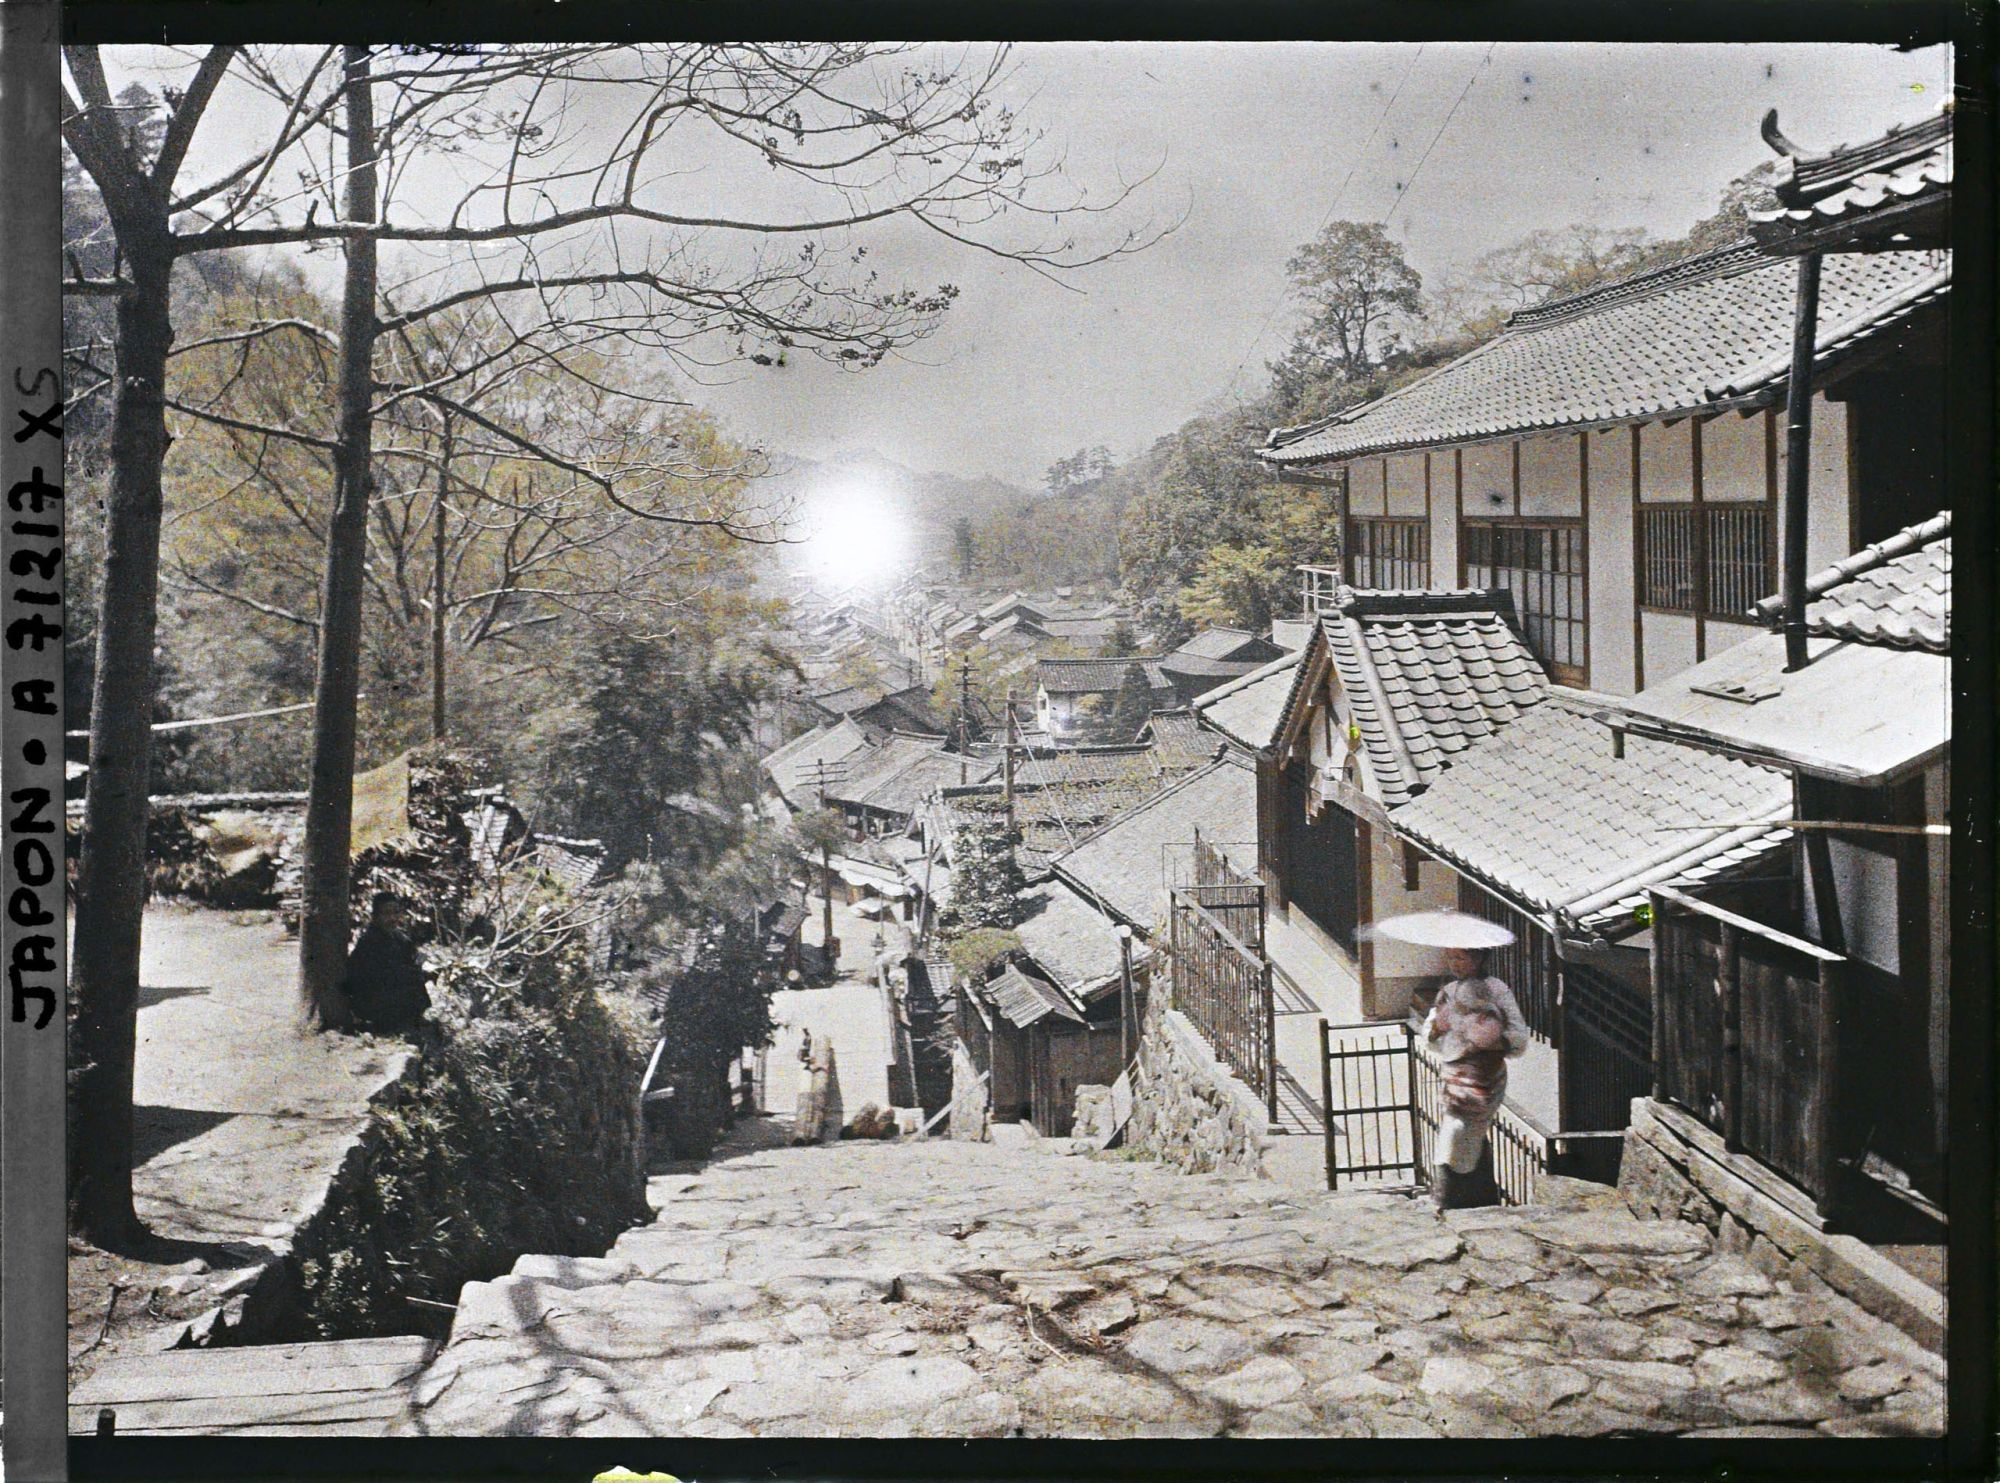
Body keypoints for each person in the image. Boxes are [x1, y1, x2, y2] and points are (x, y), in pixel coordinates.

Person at [1422, 945, 1529, 1208]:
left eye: (1460, 957)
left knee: (1458, 1132)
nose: (1453, 964)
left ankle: (1446, 1199)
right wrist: (1438, 1027)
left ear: (1478, 958)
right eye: (1450, 957)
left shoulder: (1496, 989)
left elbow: (1519, 1038)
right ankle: (1480, 1197)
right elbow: (1430, 1039)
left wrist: (1489, 1039)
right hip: (1456, 1074)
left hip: (1485, 1076)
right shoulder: (1448, 992)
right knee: (1466, 1135)